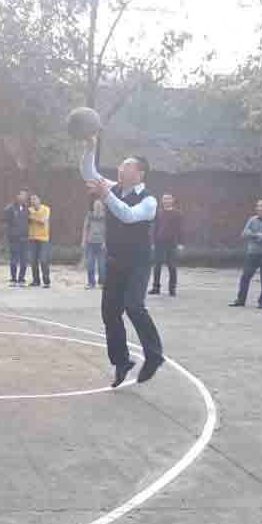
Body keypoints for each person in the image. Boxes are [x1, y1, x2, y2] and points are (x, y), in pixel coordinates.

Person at [82, 133, 164, 387]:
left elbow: (127, 215)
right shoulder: (113, 188)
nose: (120, 168)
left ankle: (154, 356)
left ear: (140, 173)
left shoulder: (149, 201)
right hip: (115, 260)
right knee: (110, 312)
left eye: (127, 165)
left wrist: (105, 195)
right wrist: (90, 148)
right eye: (120, 165)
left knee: (134, 306)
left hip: (138, 261)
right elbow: (88, 172)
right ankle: (121, 361)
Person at [230, 199, 262, 309]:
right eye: (258, 206)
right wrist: (257, 235)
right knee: (245, 277)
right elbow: (244, 234)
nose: (260, 208)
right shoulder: (252, 219)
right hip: (252, 253)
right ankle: (240, 300)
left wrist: (252, 235)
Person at [150, 193, 183, 296]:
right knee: (157, 266)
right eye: (164, 199)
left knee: (172, 266)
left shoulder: (177, 214)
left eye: (168, 198)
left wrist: (180, 243)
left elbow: (180, 229)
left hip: (172, 243)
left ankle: (172, 289)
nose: (166, 201)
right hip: (159, 242)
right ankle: (156, 288)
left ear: (173, 200)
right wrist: (153, 242)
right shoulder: (158, 213)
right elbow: (155, 228)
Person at [3, 189, 31, 286]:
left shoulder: (27, 209)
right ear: (17, 196)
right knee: (14, 259)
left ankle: (21, 279)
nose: (23, 197)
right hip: (14, 238)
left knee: (24, 260)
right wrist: (9, 234)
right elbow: (5, 222)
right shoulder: (10, 208)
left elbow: (29, 222)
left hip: (25, 238)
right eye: (22, 195)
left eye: (25, 196)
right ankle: (13, 279)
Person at [27, 194, 52, 288]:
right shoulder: (29, 210)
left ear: (39, 200)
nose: (33, 201)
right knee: (33, 261)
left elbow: (43, 220)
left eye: (35, 199)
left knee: (43, 260)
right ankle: (36, 281)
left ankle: (46, 281)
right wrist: (35, 218)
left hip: (43, 238)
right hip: (32, 238)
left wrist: (32, 218)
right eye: (31, 199)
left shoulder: (46, 209)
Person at [82, 198, 107, 289]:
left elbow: (108, 231)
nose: (97, 207)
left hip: (101, 244)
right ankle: (91, 283)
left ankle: (102, 283)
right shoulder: (89, 216)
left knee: (102, 266)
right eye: (96, 205)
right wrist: (83, 241)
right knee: (90, 264)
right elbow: (85, 228)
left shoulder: (105, 217)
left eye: (99, 206)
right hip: (90, 243)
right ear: (93, 207)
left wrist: (105, 242)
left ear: (102, 207)